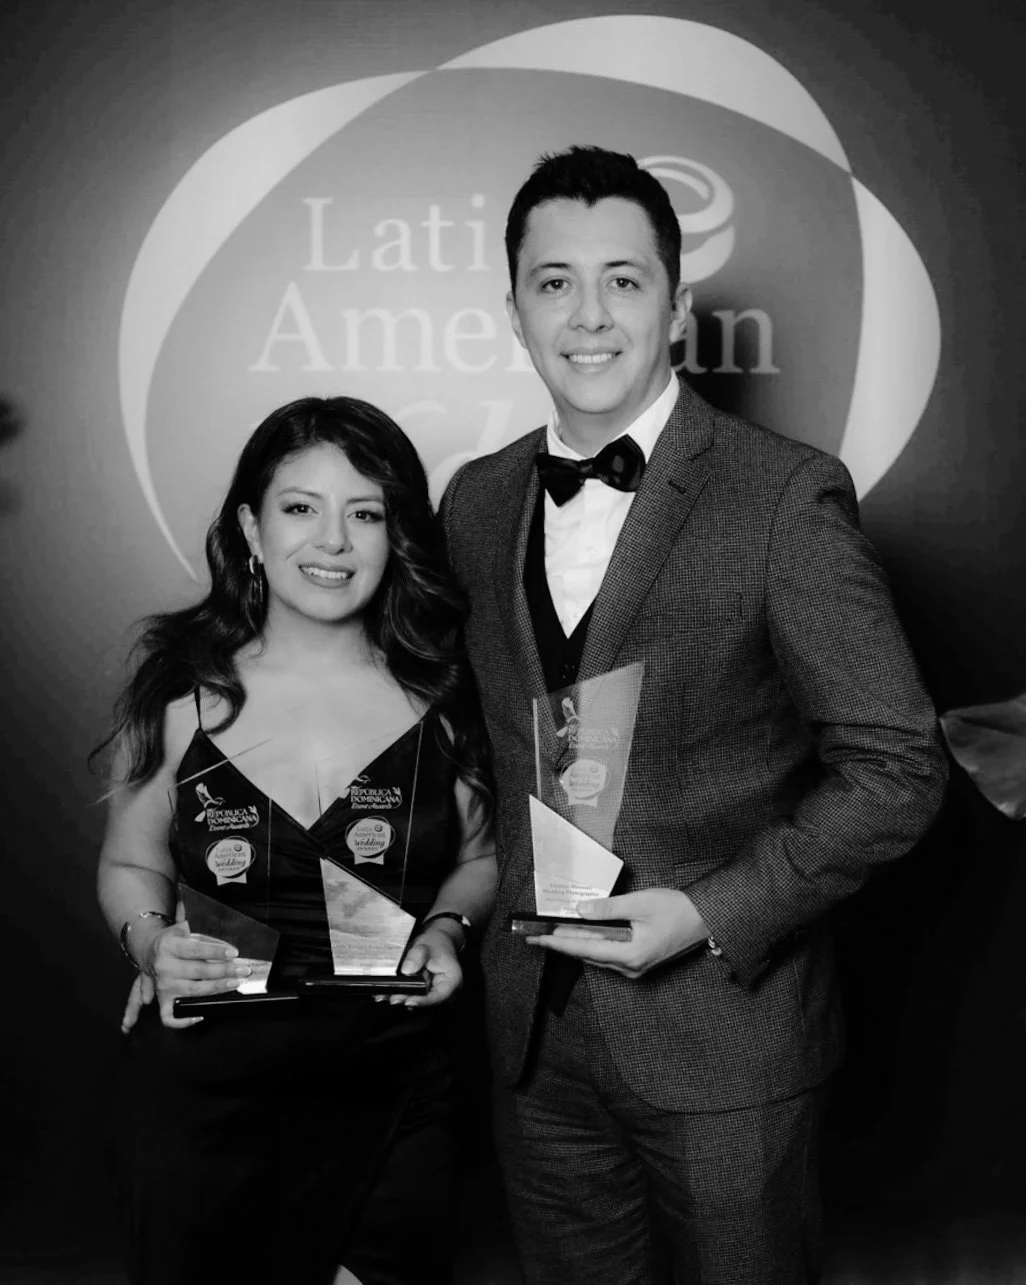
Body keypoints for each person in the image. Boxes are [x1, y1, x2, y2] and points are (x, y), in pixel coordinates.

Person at [440, 146, 948, 1285]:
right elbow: (458, 752)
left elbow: (898, 767)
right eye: (553, 281)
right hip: (534, 1042)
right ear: (513, 311)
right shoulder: (473, 502)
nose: (588, 314)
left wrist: (711, 911)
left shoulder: (781, 493)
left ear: (675, 307)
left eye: (624, 280)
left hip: (726, 1032)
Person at [97, 396, 495, 1285]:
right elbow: (129, 861)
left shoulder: (443, 692)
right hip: (206, 1101)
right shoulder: (180, 689)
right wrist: (153, 943)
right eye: (300, 508)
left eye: (365, 513)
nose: (333, 542)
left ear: (396, 535)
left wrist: (447, 931)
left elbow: (477, 857)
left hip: (390, 1088)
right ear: (251, 525)